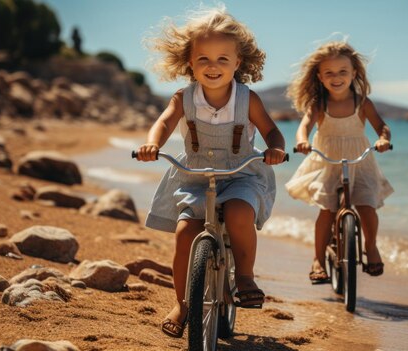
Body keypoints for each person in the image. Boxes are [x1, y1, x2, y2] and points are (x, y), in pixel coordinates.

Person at [135, 7, 286, 338]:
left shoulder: (248, 100)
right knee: (185, 232)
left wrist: (275, 148)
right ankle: (182, 303)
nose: (213, 66)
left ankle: (244, 276)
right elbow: (163, 122)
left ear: (238, 62)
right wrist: (152, 143)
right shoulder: (183, 98)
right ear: (190, 62)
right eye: (203, 59)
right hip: (196, 176)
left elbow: (272, 131)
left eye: (222, 59)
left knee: (238, 211)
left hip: (241, 175)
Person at [285, 41, 394, 284]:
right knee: (327, 210)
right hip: (327, 161)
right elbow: (304, 126)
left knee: (367, 205)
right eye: (330, 73)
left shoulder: (362, 102)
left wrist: (383, 139)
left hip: (360, 161)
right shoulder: (319, 104)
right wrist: (302, 141)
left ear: (354, 73)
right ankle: (317, 259)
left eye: (343, 71)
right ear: (320, 77)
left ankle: (372, 247)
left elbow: (381, 126)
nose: (337, 77)